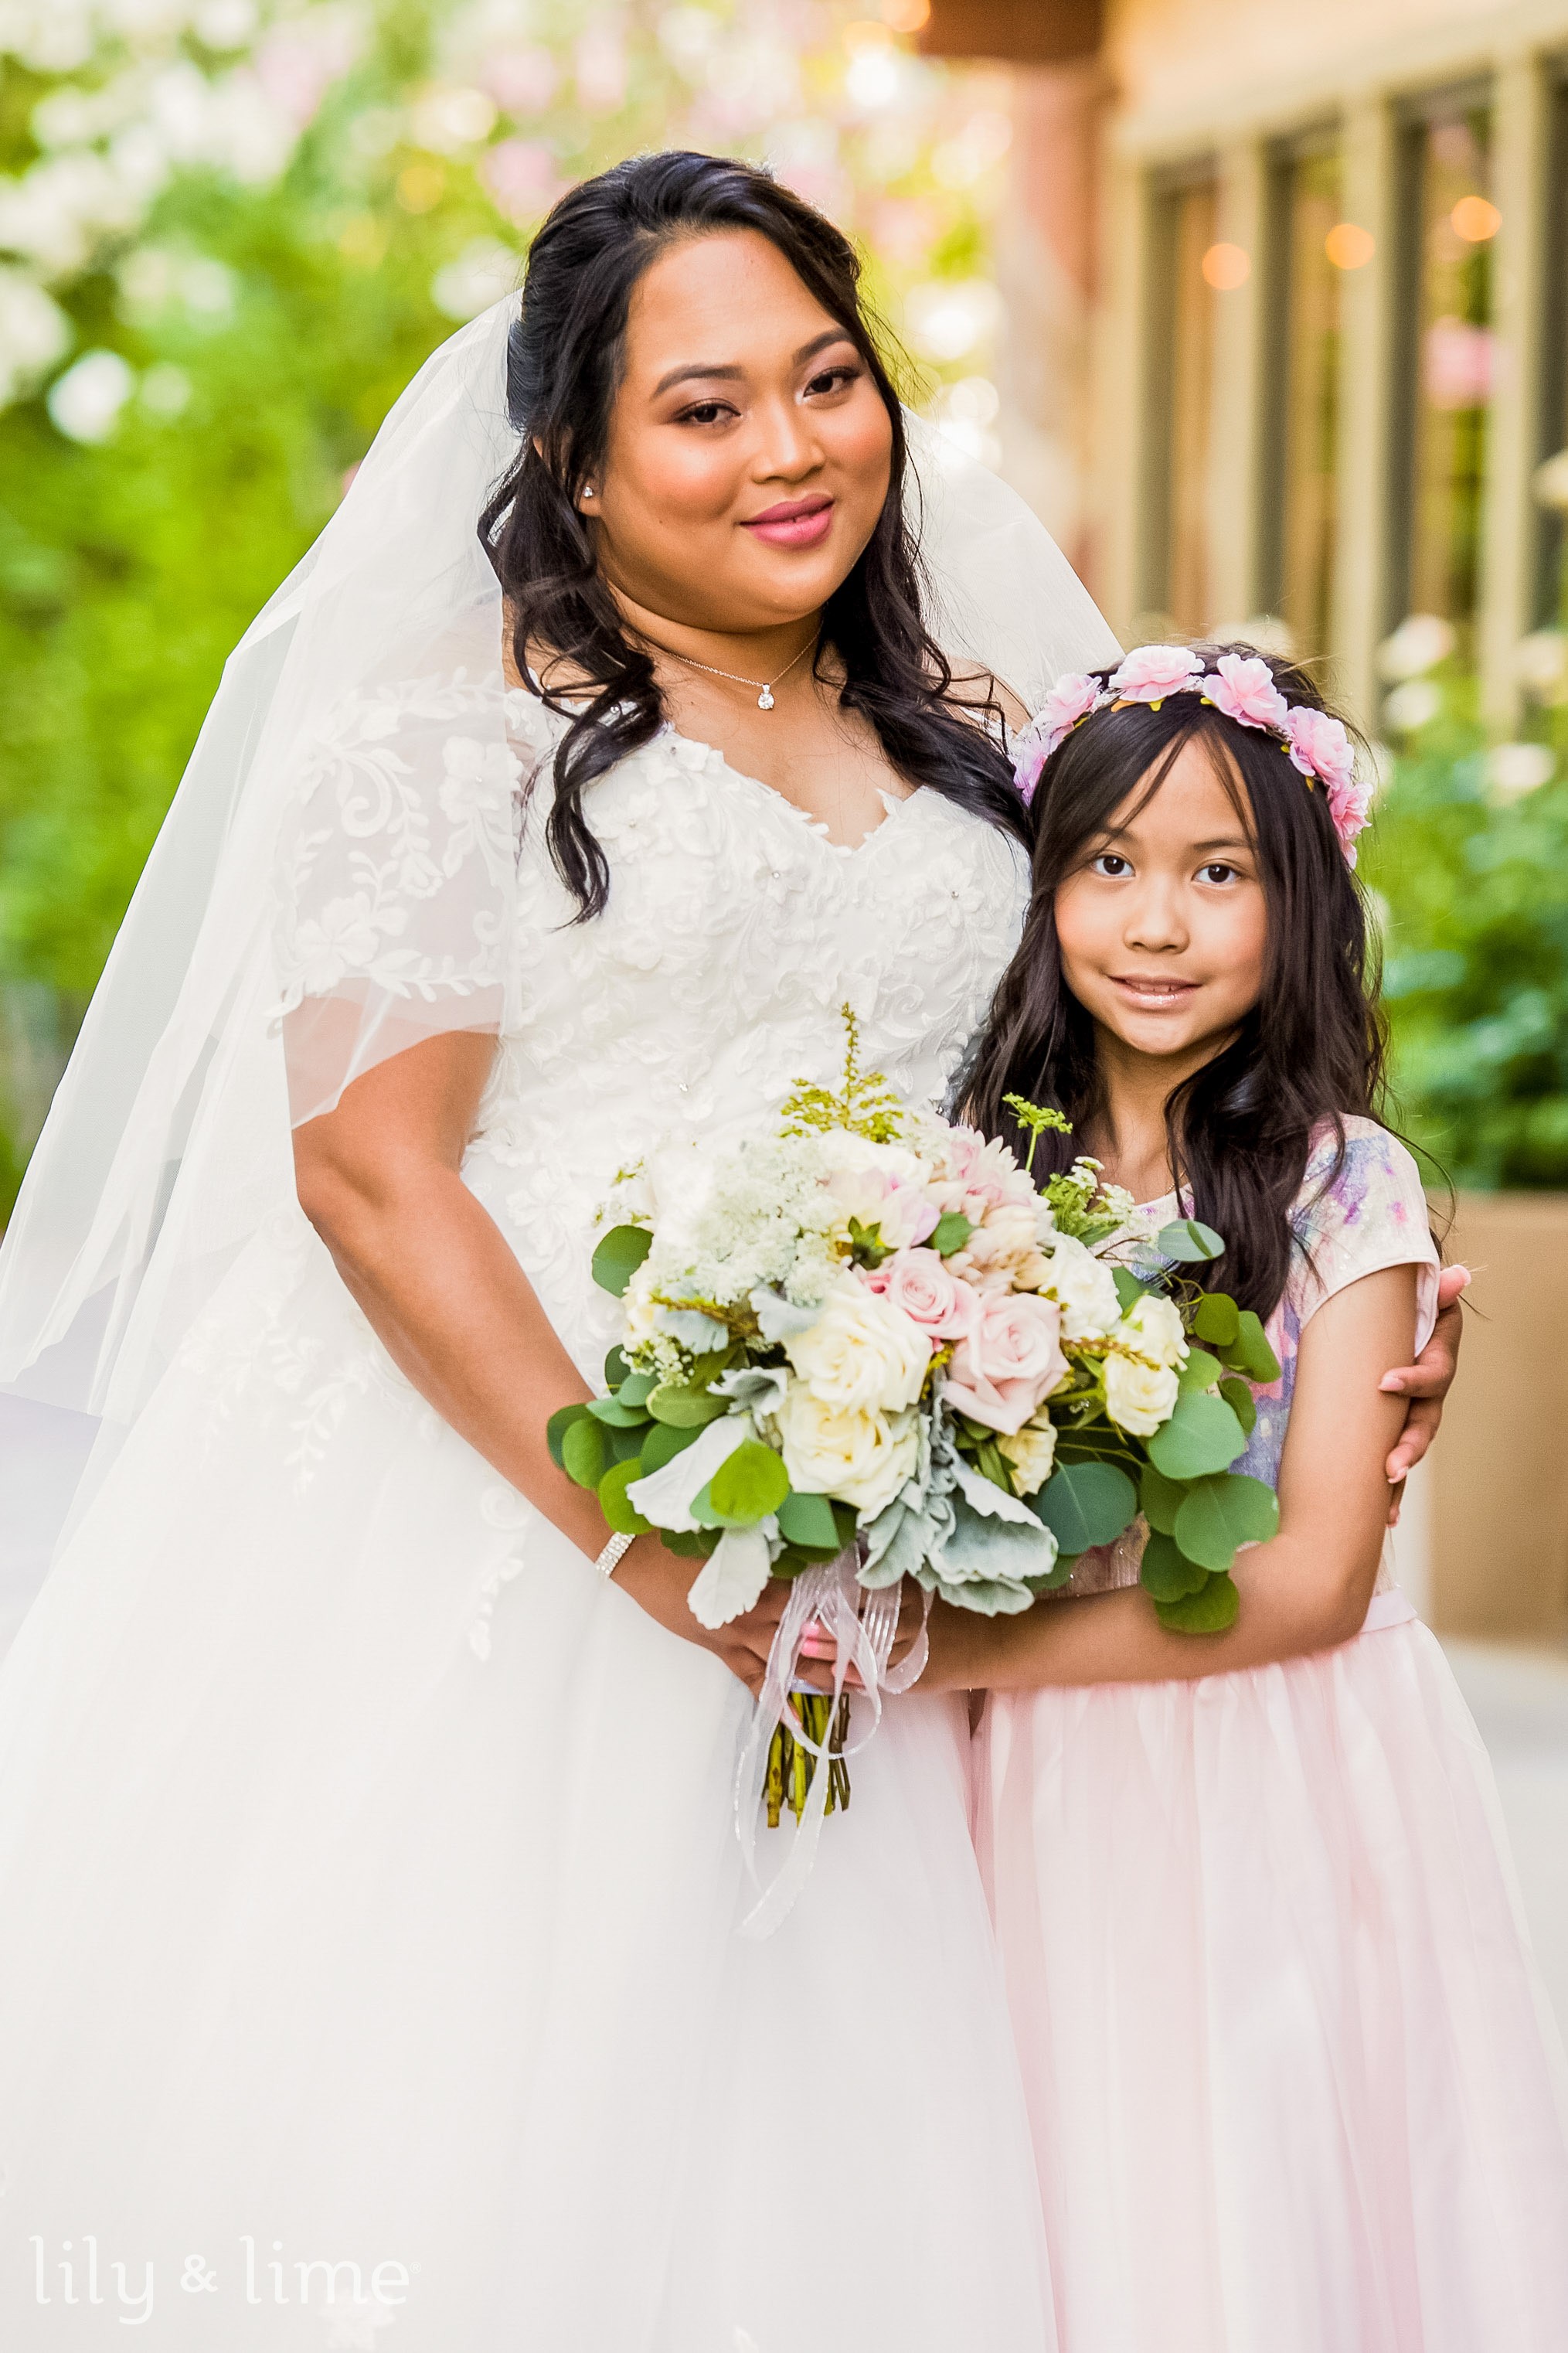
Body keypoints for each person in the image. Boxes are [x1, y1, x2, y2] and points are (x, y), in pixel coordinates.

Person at [0, 152, 1130, 2353]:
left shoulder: (976, 733)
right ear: (574, 464)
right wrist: (649, 1540)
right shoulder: (444, 729)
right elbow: (365, 1169)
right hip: (493, 1495)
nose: (791, 446)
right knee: (458, 2121)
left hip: (856, 1473)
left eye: (826, 379)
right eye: (702, 407)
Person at [932, 645, 1568, 2353]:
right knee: (1044, 2163)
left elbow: (1309, 1583)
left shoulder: (1345, 1179)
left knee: (1235, 2172)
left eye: (1218, 873)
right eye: (1109, 863)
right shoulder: (966, 1161)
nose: (1156, 923)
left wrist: (945, 1663)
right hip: (1019, 1779)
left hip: (1267, 1765)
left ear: (1299, 899)